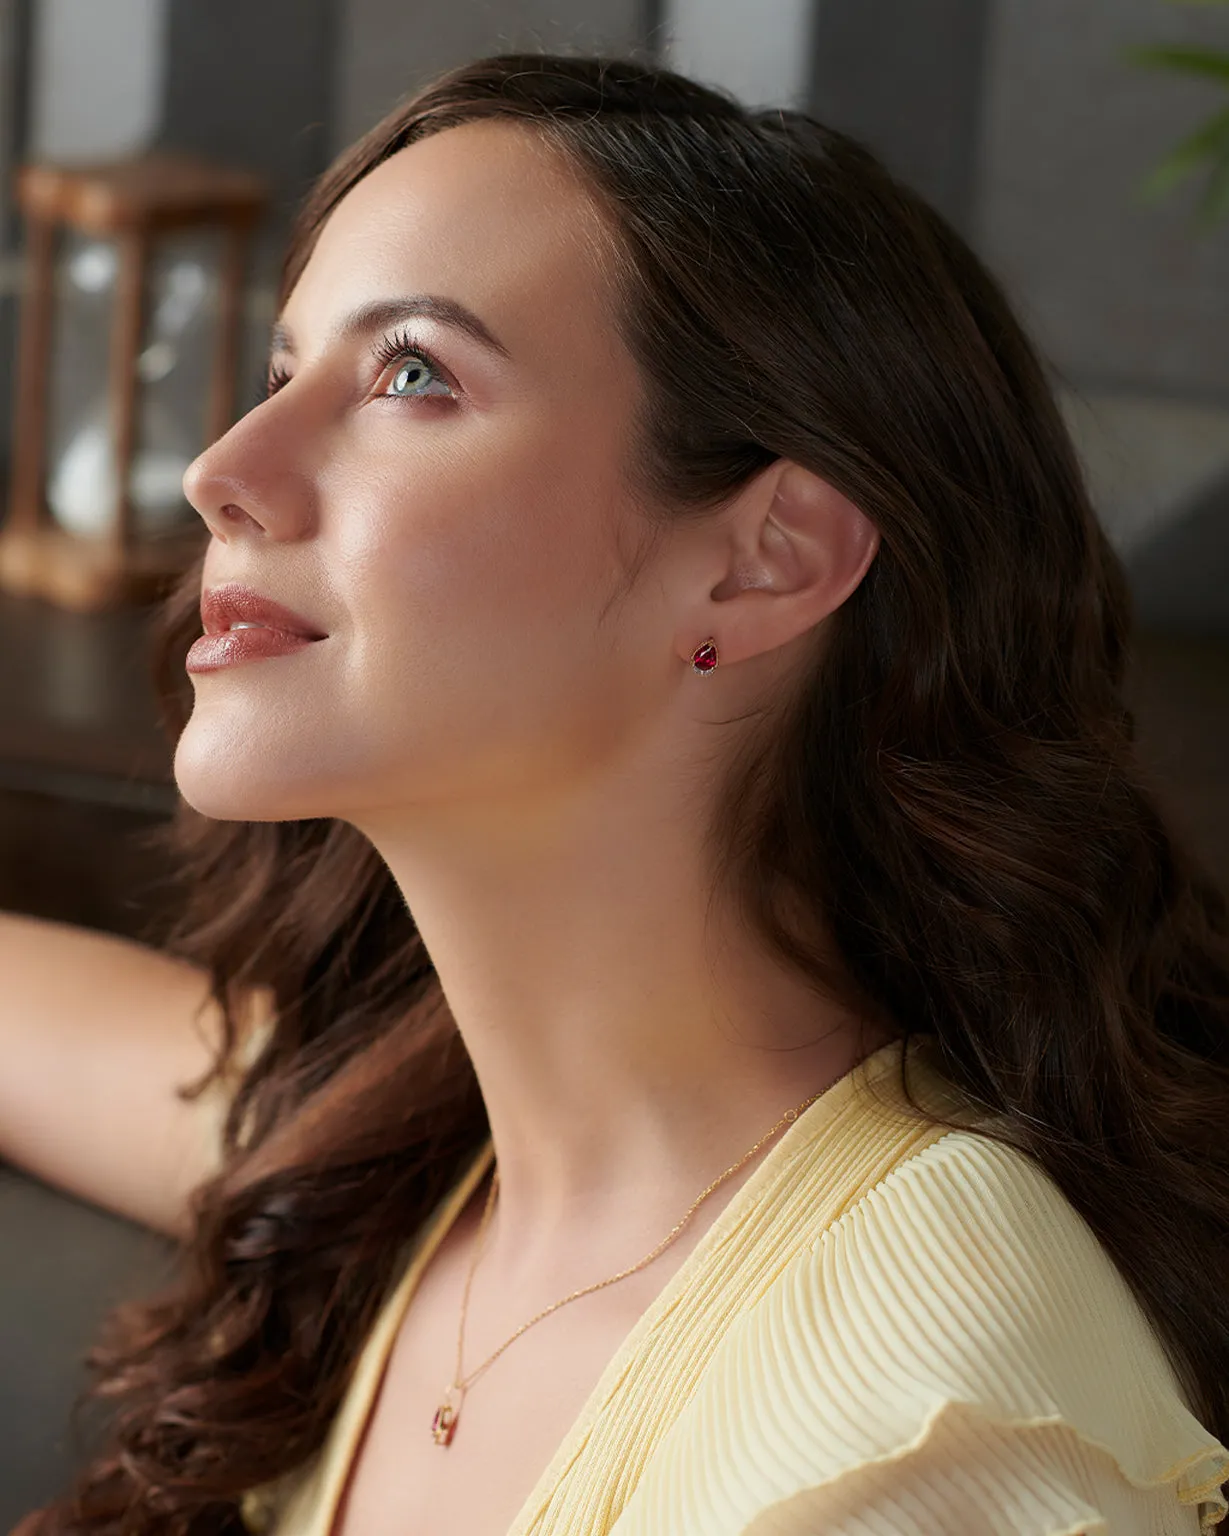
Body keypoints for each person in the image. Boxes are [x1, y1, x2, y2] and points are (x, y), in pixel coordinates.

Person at [4, 49, 1229, 1536]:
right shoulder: (437, 1159)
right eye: (282, 372)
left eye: (411, 375)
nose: (223, 468)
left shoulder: (911, 1419)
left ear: (763, 555)